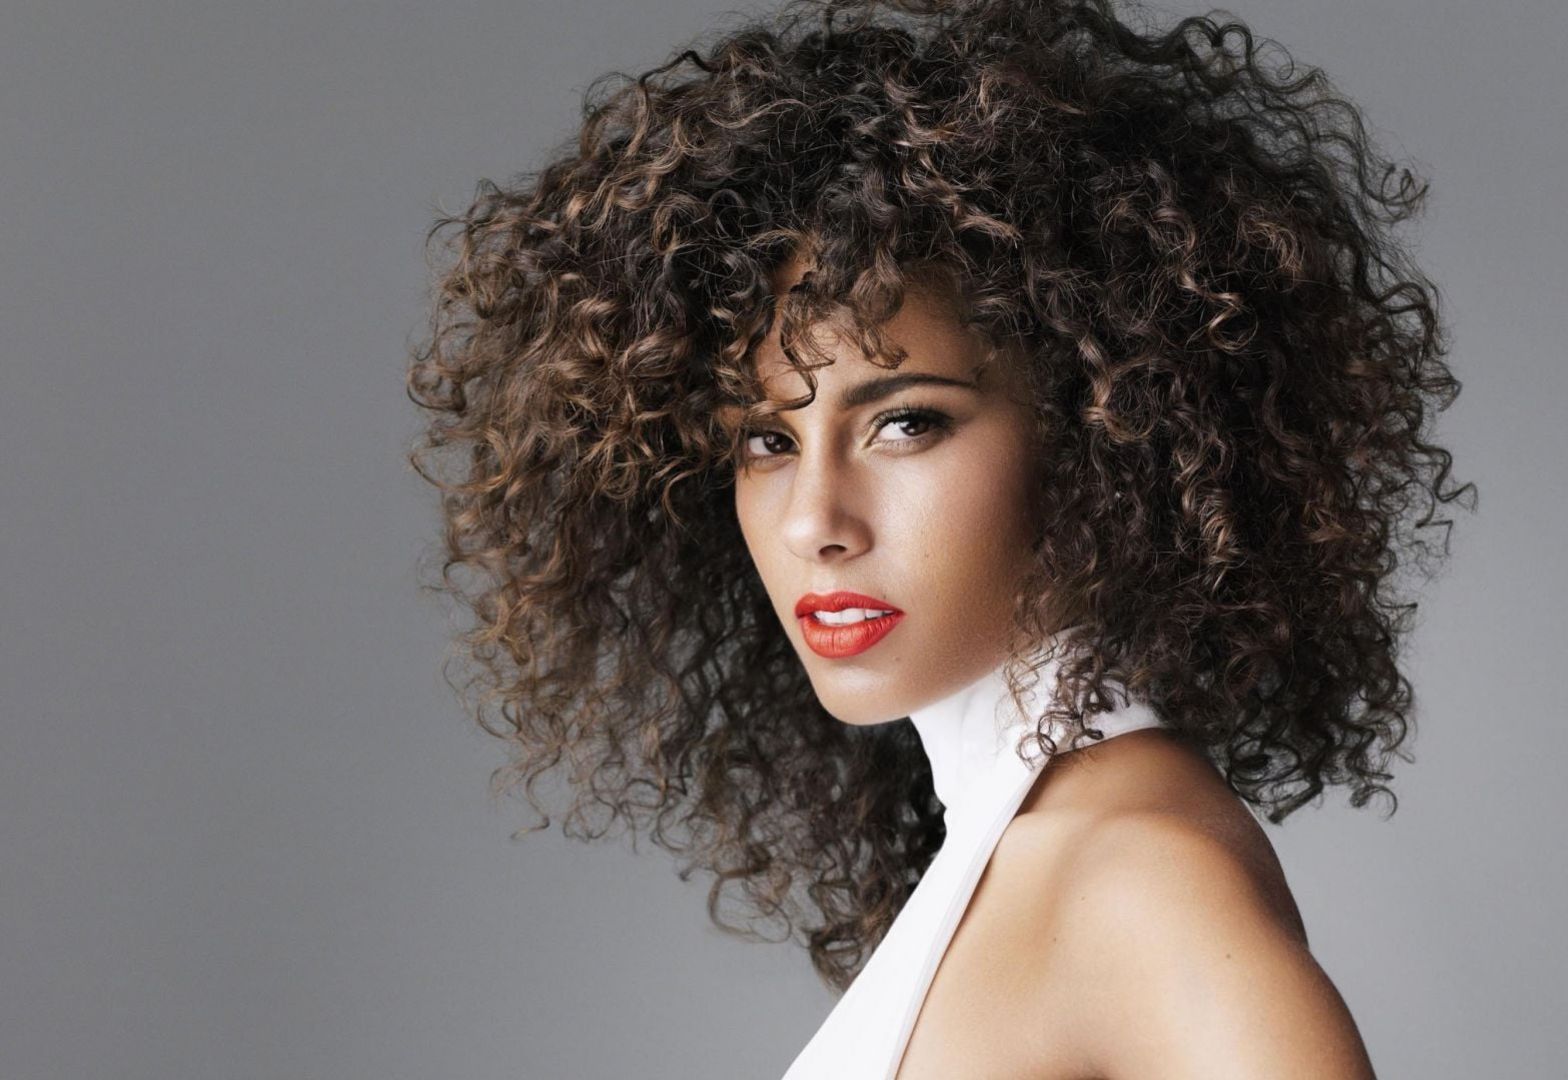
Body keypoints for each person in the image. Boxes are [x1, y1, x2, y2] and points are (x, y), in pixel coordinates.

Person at [406, 0, 1473, 1075]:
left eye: (904, 423)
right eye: (768, 440)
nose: (816, 520)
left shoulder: (1136, 874)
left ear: (1108, 429)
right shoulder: (1023, 845)